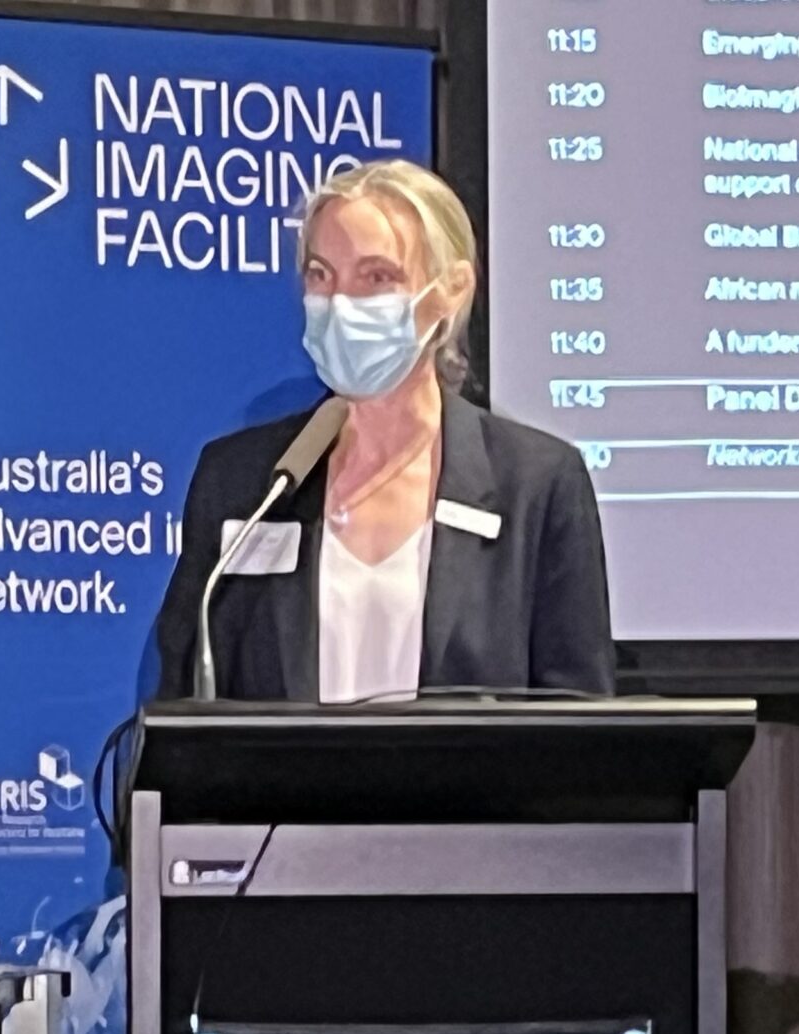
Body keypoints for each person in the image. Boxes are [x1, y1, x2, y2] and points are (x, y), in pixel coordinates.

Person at [149, 159, 616, 703]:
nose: (341, 304)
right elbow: (183, 706)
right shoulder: (245, 483)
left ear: (449, 293)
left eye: (377, 278)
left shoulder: (536, 486)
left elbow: (580, 730)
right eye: (322, 275)